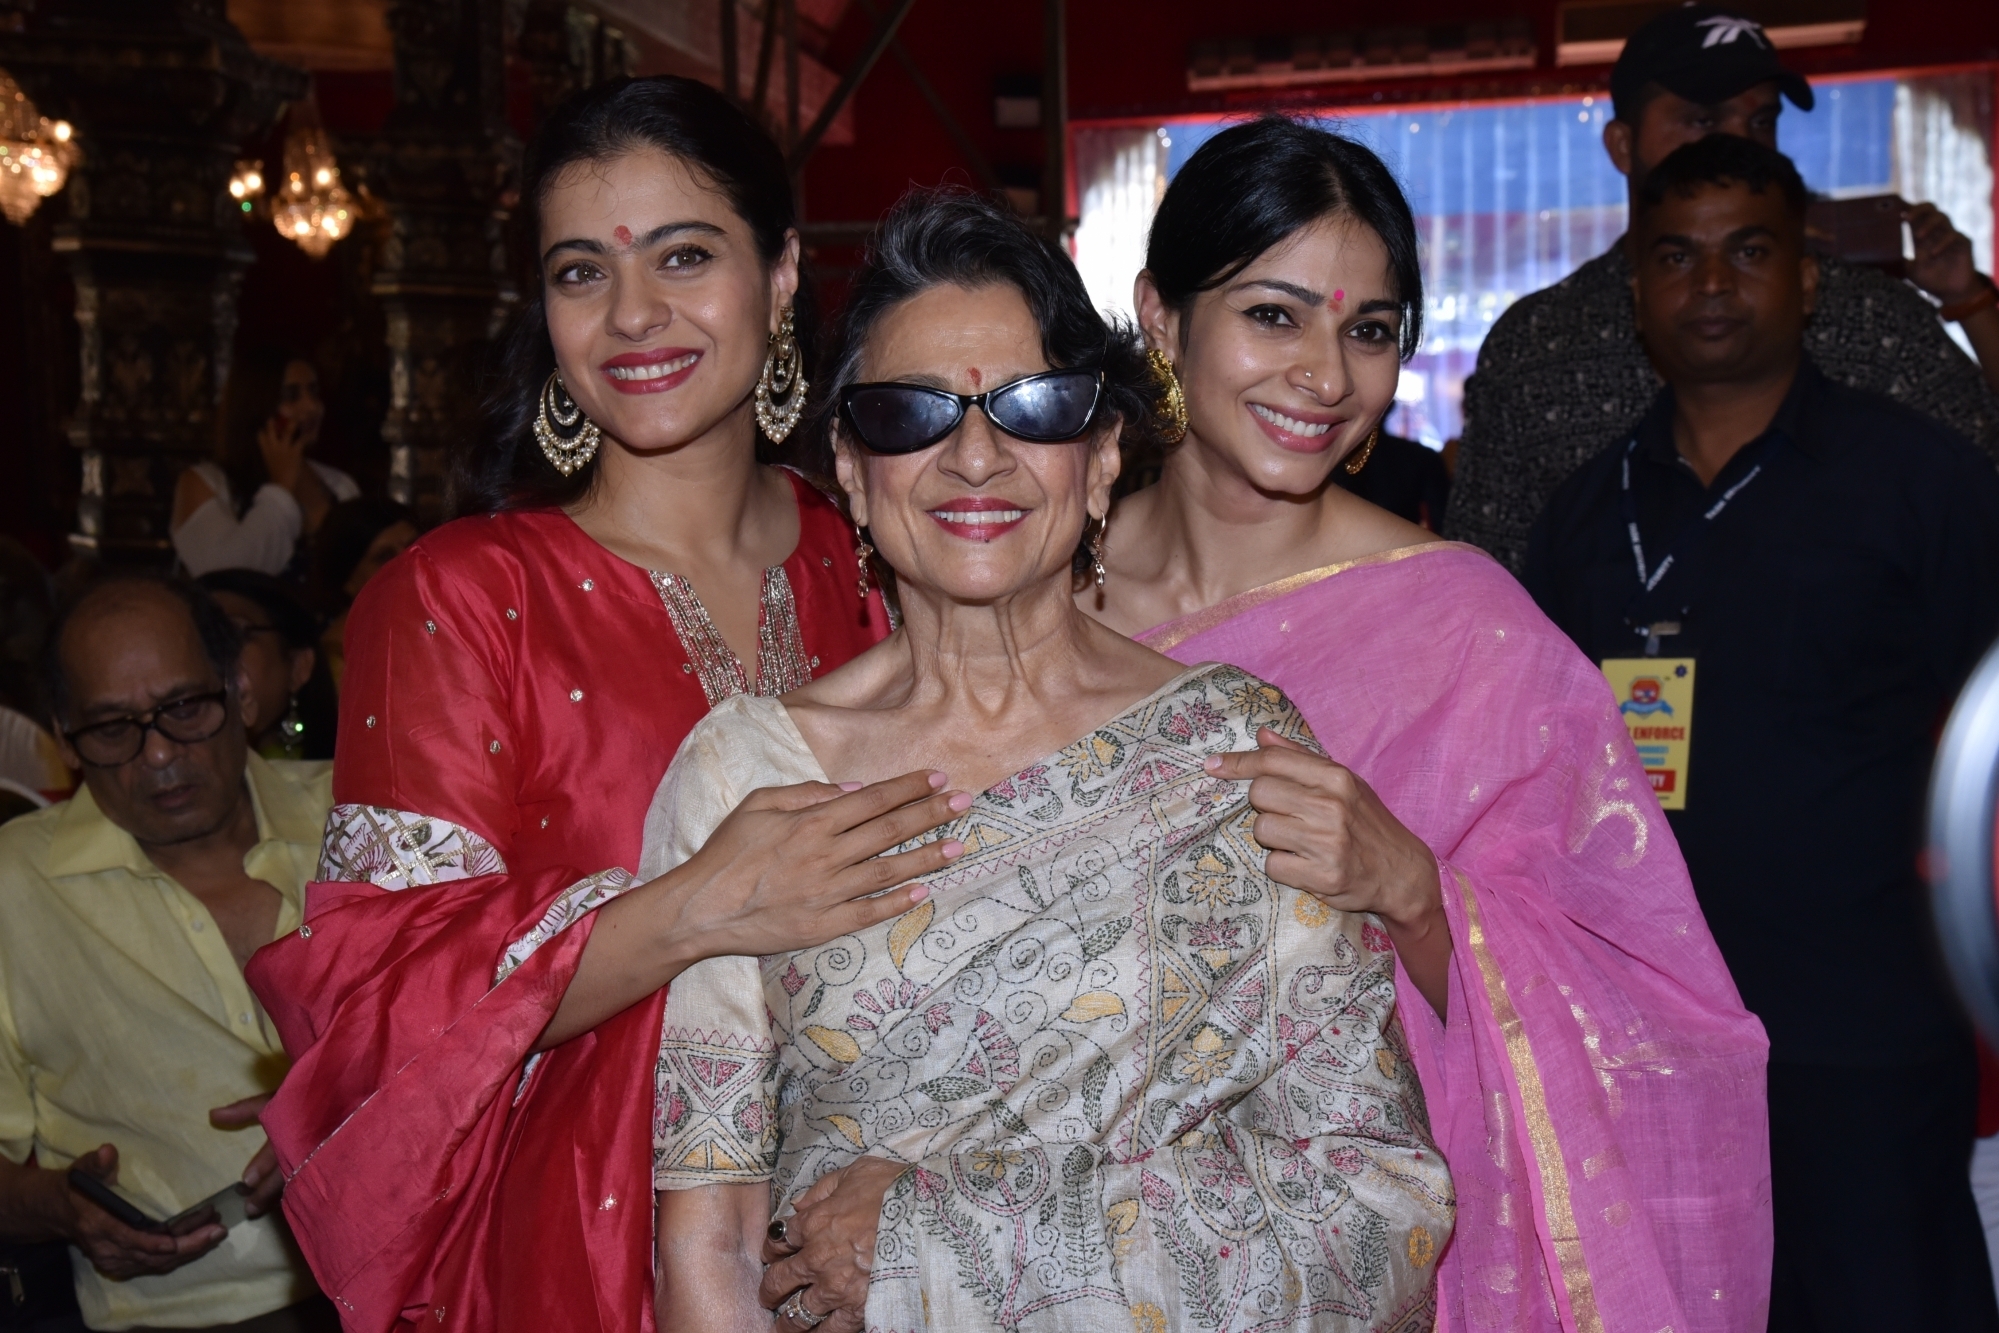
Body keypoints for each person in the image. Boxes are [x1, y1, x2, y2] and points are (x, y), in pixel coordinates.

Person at [646, 186, 1452, 1333]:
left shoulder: (1227, 747)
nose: (975, 455)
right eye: (909, 414)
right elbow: (711, 1245)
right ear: (850, 467)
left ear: (1103, 454)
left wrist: (947, 1237)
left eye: (1033, 406)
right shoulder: (746, 773)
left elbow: (1381, 1204)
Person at [242, 76, 965, 1332]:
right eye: (581, 272)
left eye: (685, 255)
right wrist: (696, 905)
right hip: (584, 1248)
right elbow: (375, 1003)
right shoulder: (460, 599)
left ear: (783, 273)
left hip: (894, 1231)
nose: (634, 315)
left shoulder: (882, 558)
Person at [1063, 117, 1766, 1332]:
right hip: (1051, 1249)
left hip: (1346, 1269)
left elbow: (1658, 1021)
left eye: (1369, 331)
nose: (1327, 377)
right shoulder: (1034, 601)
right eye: (1274, 315)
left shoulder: (1466, 627)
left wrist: (1414, 888)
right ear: (1161, 319)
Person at [1525, 135, 1999, 1333]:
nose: (1712, 284)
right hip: (1644, 1042)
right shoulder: (1583, 512)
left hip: (1864, 1038)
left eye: (1749, 252)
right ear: (1635, 286)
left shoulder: (1921, 483)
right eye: (1675, 257)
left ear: (1806, 279)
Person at [1448, 4, 1999, 576]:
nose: (1743, 146)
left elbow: (1983, 505)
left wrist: (1972, 303)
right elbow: (1489, 586)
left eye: (1762, 122)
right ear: (1622, 145)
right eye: (1704, 121)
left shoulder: (1870, 318)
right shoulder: (1541, 344)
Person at [0, 574, 337, 1331]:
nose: (156, 755)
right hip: (183, 1312)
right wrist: (61, 1206)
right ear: (64, 740)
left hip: (419, 1281)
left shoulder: (356, 819)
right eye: (114, 728)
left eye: (184, 709)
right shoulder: (13, 884)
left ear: (240, 694)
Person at [171, 351, 360, 578]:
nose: (311, 407)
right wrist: (280, 489)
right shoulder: (204, 483)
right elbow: (229, 576)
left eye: (313, 391)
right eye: (291, 395)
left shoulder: (338, 484)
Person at [196, 571, 338, 761]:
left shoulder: (337, 781)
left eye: (232, 634)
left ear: (298, 667)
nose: (209, 653)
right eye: (197, 639)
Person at [305, 497, 416, 690]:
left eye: (415, 546)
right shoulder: (338, 663)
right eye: (385, 556)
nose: (408, 562)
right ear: (348, 582)